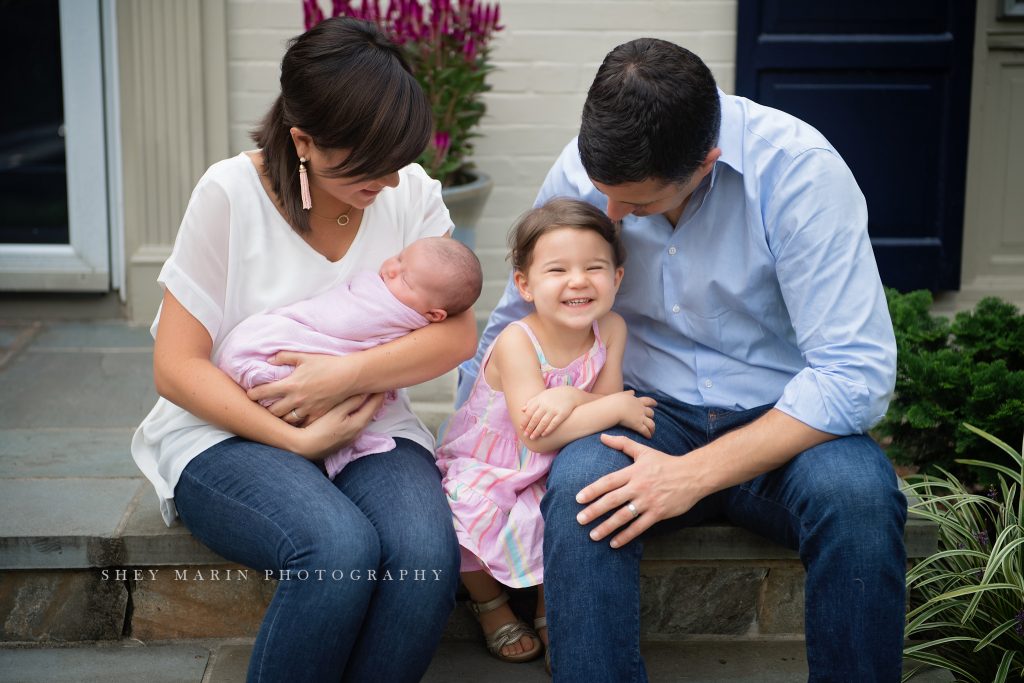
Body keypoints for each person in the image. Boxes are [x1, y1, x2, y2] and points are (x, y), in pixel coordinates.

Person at [459, 38, 907, 682]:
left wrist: (689, 476)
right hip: (640, 408)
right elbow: (516, 316)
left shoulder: (802, 174)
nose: (610, 218)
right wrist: (477, 447)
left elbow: (854, 376)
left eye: (635, 206)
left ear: (706, 163)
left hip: (784, 418)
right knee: (581, 490)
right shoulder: (588, 168)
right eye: (604, 195)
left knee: (860, 498)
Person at [130, 17, 476, 683]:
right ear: (303, 141)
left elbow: (457, 333)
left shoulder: (410, 193)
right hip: (226, 429)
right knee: (337, 548)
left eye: (397, 160)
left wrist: (339, 378)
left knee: (425, 553)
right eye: (368, 164)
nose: (390, 181)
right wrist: (294, 440)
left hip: (365, 420)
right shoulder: (230, 193)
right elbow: (176, 365)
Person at [436, 199, 656, 665]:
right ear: (526, 285)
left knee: (558, 508)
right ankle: (490, 605)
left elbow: (607, 407)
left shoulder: (611, 328)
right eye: (557, 270)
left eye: (594, 267)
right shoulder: (518, 341)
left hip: (558, 456)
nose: (578, 281)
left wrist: (575, 397)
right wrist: (607, 404)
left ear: (617, 278)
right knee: (463, 509)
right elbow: (536, 434)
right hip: (494, 459)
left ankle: (547, 608)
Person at [217, 236, 482, 479]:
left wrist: (349, 374)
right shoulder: (376, 293)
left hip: (366, 421)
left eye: (405, 280)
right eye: (400, 258)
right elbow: (334, 316)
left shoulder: (393, 310)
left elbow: (460, 339)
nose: (390, 268)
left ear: (434, 315)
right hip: (265, 355)